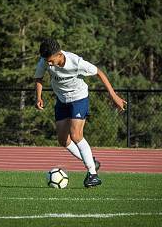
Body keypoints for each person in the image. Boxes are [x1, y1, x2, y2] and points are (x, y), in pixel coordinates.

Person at [34, 38, 126, 188]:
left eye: (51, 61)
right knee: (63, 140)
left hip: (79, 99)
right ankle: (91, 161)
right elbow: (38, 78)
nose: (49, 64)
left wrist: (114, 96)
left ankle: (92, 174)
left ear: (59, 54)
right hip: (61, 100)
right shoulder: (44, 61)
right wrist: (38, 97)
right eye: (47, 61)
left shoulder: (76, 62)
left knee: (76, 135)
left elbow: (99, 73)